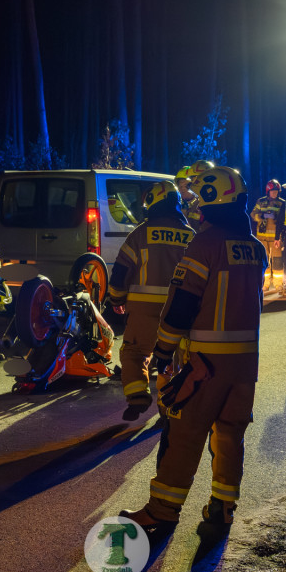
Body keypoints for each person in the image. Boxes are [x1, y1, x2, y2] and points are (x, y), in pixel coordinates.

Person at [120, 166, 266, 532]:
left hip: (206, 362)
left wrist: (164, 350)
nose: (197, 208)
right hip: (245, 364)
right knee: (229, 434)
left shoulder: (205, 244)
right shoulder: (255, 248)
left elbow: (183, 302)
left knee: (184, 433)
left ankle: (161, 511)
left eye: (201, 201)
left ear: (215, 201)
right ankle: (223, 508)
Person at [107, 180, 194, 421]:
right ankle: (169, 407)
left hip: (143, 308)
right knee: (174, 358)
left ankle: (137, 396)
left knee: (134, 352)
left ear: (153, 203)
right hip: (180, 308)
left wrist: (116, 298)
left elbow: (121, 271)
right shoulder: (191, 235)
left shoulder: (140, 234)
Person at [250, 180, 285, 291]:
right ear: (268, 191)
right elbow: (253, 214)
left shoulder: (282, 203)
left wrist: (276, 218)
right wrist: (262, 216)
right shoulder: (260, 202)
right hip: (262, 238)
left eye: (276, 191)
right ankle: (265, 283)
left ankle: (278, 283)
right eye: (273, 191)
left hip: (276, 238)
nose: (275, 193)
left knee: (278, 261)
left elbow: (284, 218)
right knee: (264, 261)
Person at [183, 160, 215, 231]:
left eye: (194, 178)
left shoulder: (214, 204)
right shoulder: (194, 203)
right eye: (191, 178)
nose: (191, 182)